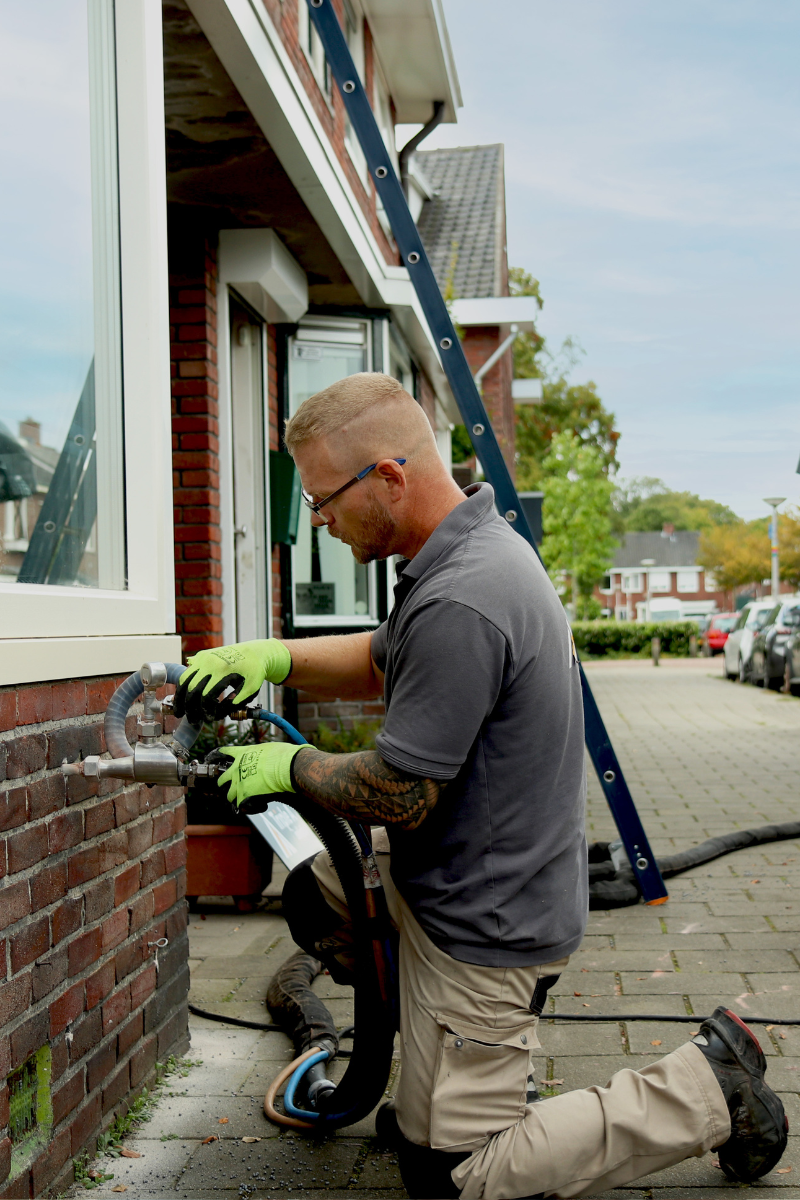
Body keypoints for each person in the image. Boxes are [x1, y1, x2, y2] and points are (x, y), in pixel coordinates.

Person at [175, 373, 787, 1199]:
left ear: (389, 477)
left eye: (323, 503)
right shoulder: (460, 552)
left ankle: (708, 1087)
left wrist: (288, 768)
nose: (319, 522)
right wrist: (272, 655)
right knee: (319, 896)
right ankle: (433, 1062)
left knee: (454, 1174)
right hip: (449, 865)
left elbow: (399, 792)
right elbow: (385, 650)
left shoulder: (467, 593)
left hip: (486, 919)